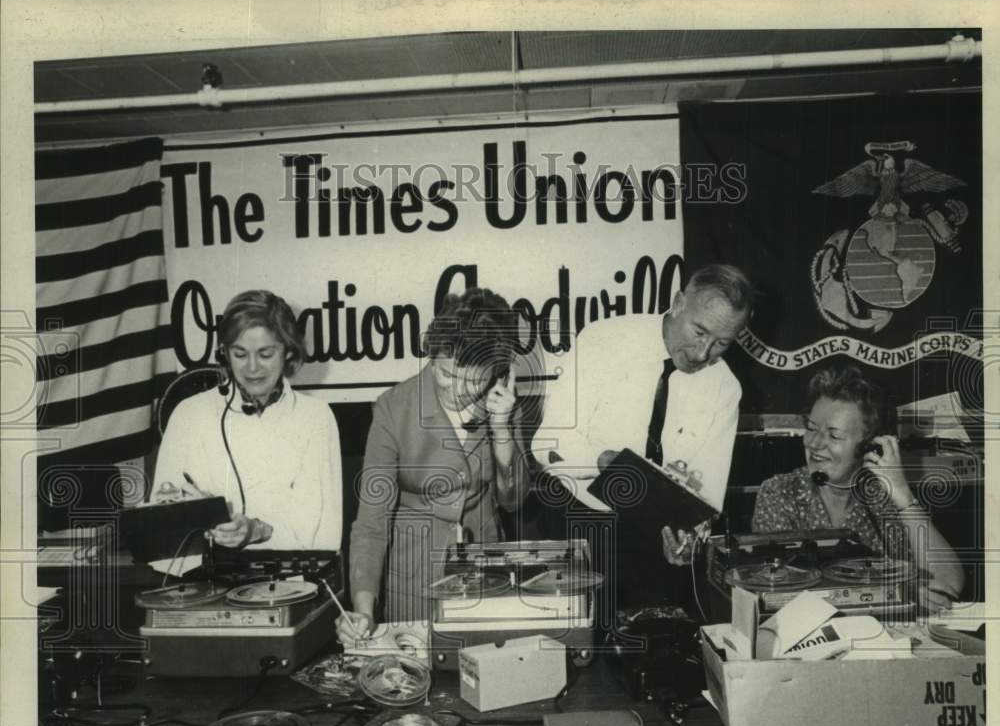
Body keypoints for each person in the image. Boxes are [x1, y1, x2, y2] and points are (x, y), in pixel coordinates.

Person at [336, 288, 530, 641]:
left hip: (486, 573)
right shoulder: (393, 408)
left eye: (473, 379)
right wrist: (362, 609)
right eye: (445, 374)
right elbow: (370, 523)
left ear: (498, 372)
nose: (455, 390)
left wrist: (501, 431)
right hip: (413, 580)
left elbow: (514, 501)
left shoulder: (504, 404)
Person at [531, 264, 753, 567]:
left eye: (722, 344)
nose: (702, 354)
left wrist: (691, 541)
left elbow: (708, 494)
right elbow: (547, 443)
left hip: (654, 537)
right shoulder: (602, 340)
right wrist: (599, 459)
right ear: (677, 304)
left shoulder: (725, 389)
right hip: (575, 518)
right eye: (699, 332)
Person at [752, 363, 964, 611]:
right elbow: (781, 594)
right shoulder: (780, 492)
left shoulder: (881, 498)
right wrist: (898, 591)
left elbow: (949, 583)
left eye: (834, 435)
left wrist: (903, 495)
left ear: (869, 446)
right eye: (811, 428)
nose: (814, 443)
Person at [152, 290, 343, 551]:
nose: (252, 368)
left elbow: (323, 537)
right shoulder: (188, 415)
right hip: (206, 586)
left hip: (293, 585)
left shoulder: (316, 417)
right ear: (224, 354)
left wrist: (258, 531)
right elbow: (161, 532)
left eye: (265, 354)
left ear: (288, 351)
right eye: (240, 354)